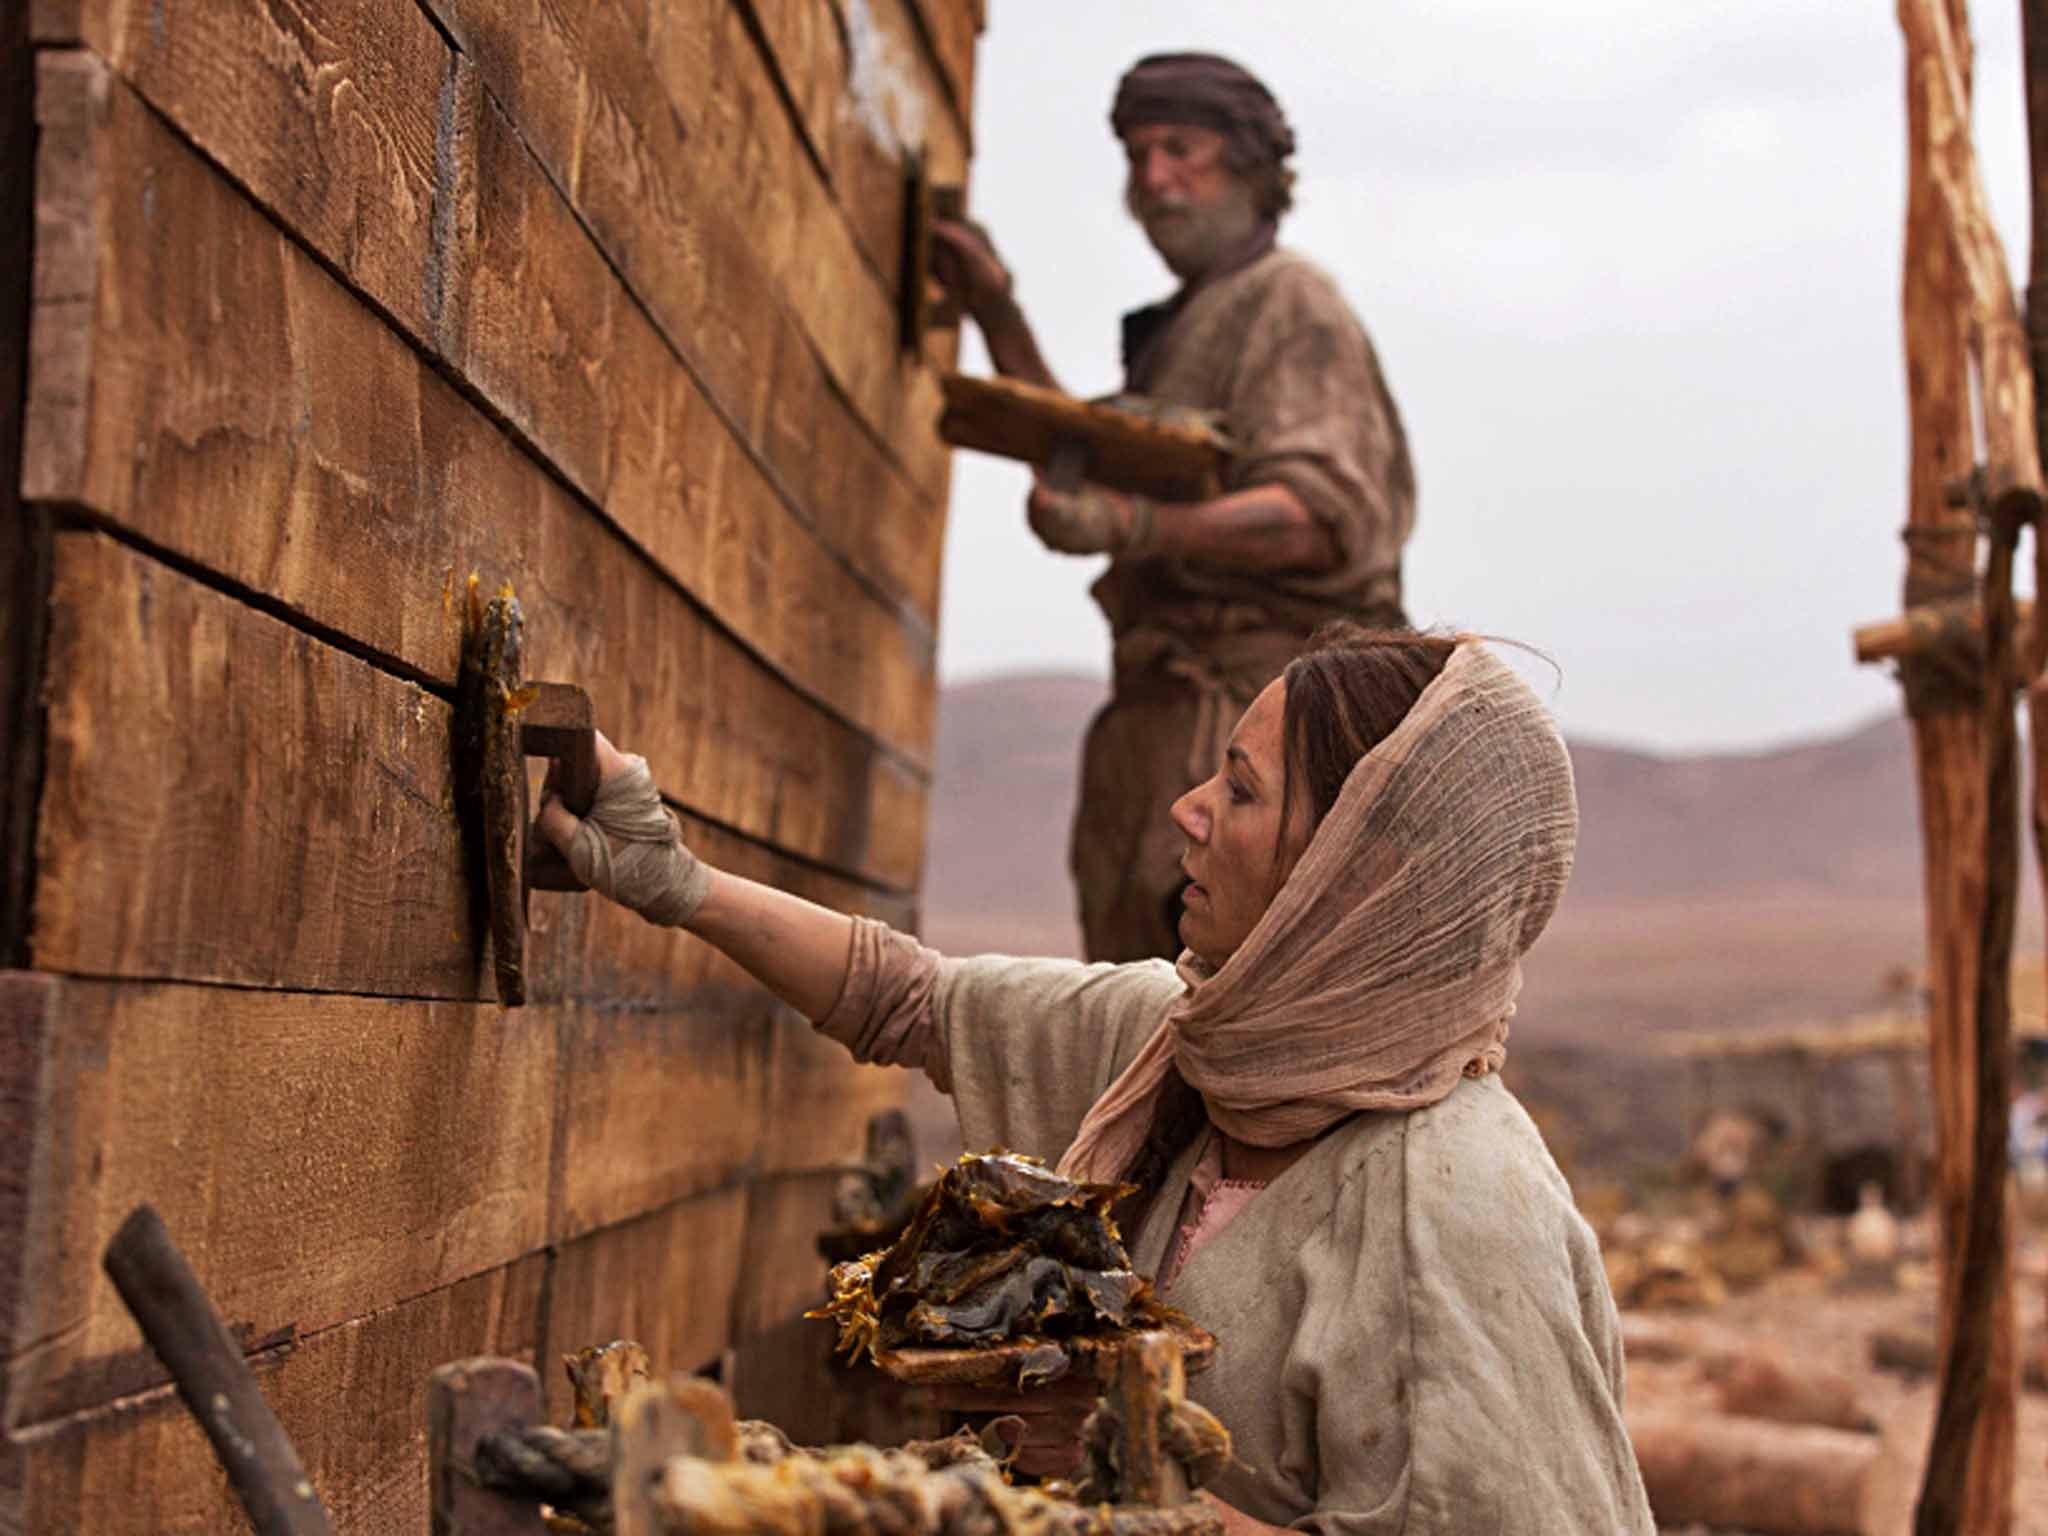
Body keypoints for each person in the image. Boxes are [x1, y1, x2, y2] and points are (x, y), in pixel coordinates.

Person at [536, 626, 1654, 1536]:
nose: (1187, 811)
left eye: (1242, 789)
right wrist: (669, 877)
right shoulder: (1195, 1045)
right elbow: (907, 999)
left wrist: (1131, 1477)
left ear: (1352, 876)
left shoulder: (1449, 1208)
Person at [930, 53, 1417, 962]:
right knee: (1144, 1025)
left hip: (1256, 740)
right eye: (1137, 155)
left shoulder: (1288, 301)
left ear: (1248, 165)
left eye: (1181, 149)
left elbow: (1323, 514)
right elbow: (1103, 455)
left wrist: (1133, 527)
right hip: (1165, 735)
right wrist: (996, 311)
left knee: (1227, 1019)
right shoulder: (1199, 320)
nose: (1154, 179)